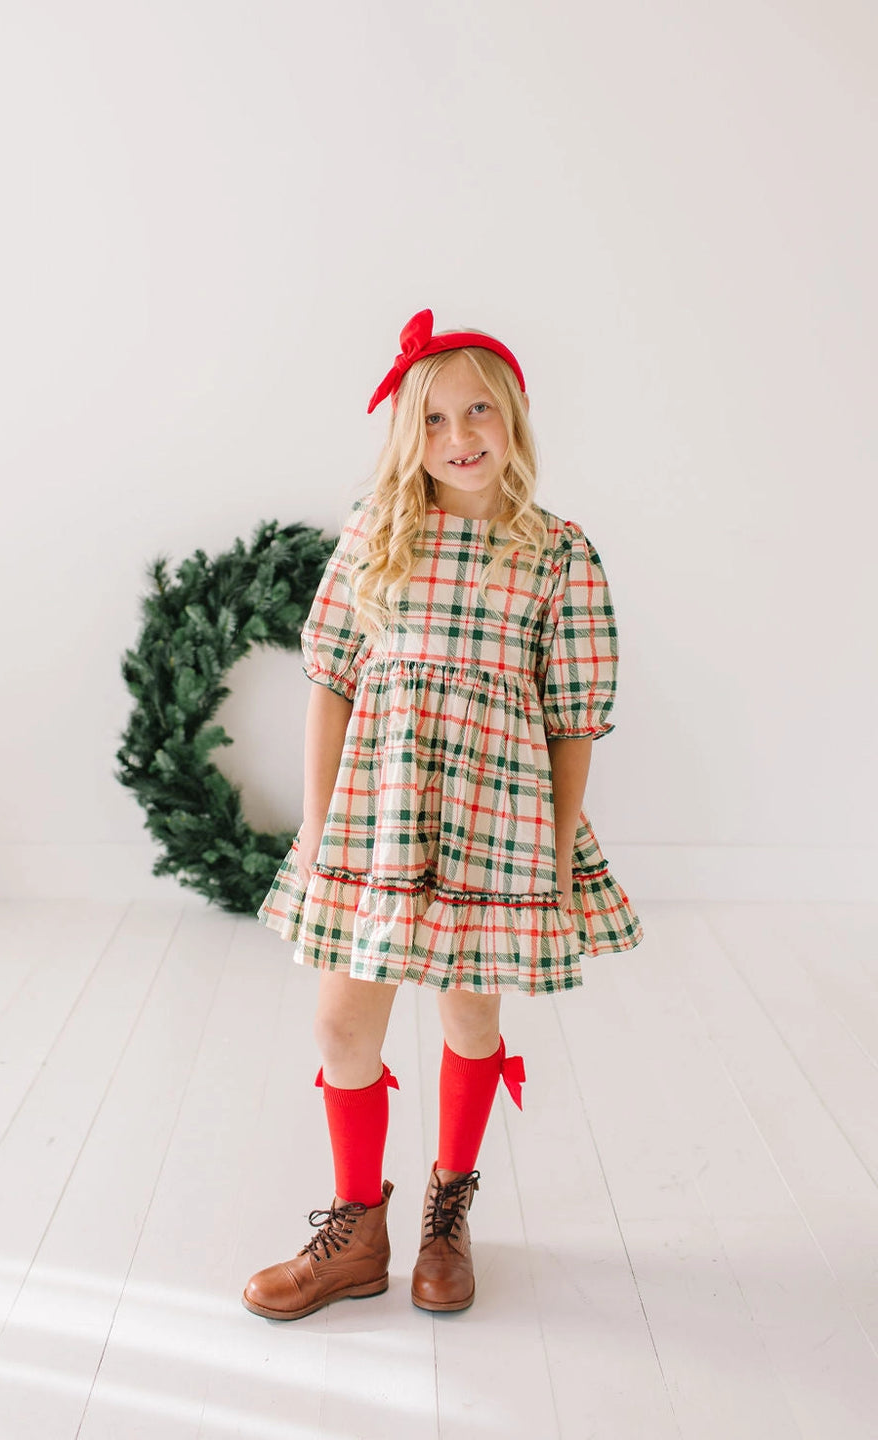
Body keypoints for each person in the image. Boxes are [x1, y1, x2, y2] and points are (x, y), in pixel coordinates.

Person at [244, 307, 642, 1321]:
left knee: (469, 1014)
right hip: (377, 818)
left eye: (478, 412)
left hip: (494, 826)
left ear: (513, 419)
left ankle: (447, 1212)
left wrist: (557, 849)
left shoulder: (556, 555)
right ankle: (354, 1229)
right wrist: (320, 823)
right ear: (405, 433)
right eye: (431, 419)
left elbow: (572, 719)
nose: (458, 436)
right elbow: (332, 681)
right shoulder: (378, 535)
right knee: (341, 1018)